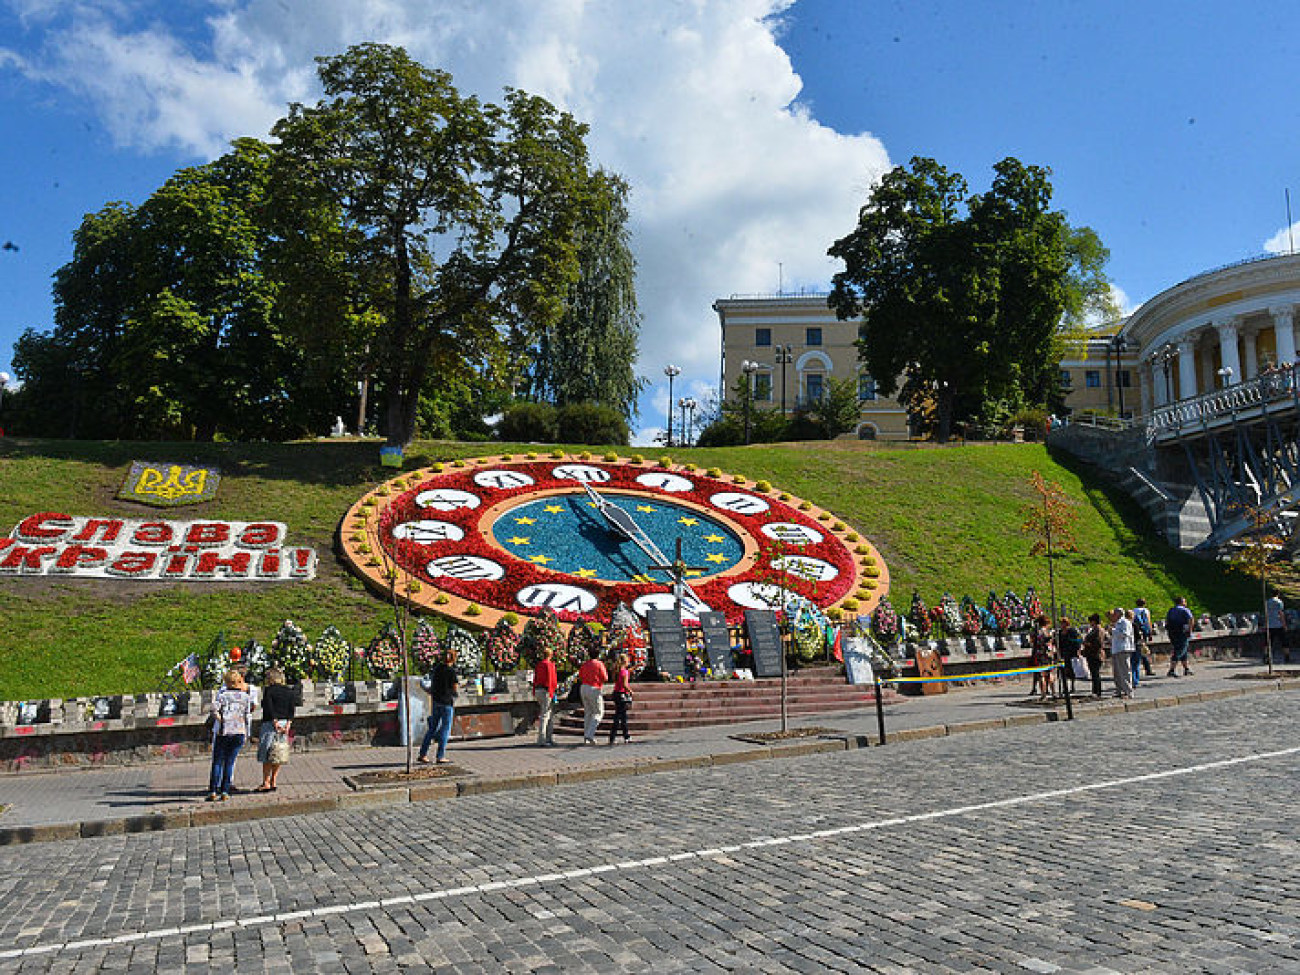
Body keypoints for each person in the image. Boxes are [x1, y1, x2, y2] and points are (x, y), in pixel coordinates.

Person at [207, 668, 253, 801]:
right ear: (239, 681)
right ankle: (225, 791)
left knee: (217, 762)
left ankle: (213, 790)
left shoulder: (222, 696)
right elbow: (247, 716)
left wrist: (220, 718)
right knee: (229, 762)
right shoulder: (245, 697)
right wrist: (247, 733)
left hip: (224, 731)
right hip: (238, 731)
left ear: (226, 682)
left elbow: (213, 709)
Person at [255, 667, 295, 793]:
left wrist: (274, 721)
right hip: (284, 723)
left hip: (270, 723)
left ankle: (266, 782)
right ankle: (274, 780)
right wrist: (288, 723)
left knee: (267, 752)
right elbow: (291, 708)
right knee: (278, 752)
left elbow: (269, 706)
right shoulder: (289, 691)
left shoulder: (269, 690)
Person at [419, 647, 459, 764]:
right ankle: (440, 756)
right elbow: (454, 687)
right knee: (445, 730)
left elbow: (433, 685)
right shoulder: (451, 671)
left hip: (436, 701)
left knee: (432, 728)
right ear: (453, 659)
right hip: (447, 703)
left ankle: (423, 753)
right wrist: (455, 693)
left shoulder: (437, 669)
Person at [577, 647, 608, 744]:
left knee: (588, 712)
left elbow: (580, 676)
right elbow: (605, 677)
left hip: (583, 687)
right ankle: (590, 734)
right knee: (598, 712)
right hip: (594, 688)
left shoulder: (585, 664)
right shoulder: (599, 664)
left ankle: (586, 736)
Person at [532, 646, 558, 747]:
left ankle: (549, 737)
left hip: (538, 690)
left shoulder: (539, 664)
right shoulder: (550, 665)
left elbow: (535, 678)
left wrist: (534, 691)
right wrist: (553, 692)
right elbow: (552, 680)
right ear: (550, 655)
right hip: (546, 691)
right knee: (545, 715)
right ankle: (542, 739)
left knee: (548, 714)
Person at [1165, 595, 1195, 677]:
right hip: (1182, 632)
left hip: (1172, 633)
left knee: (1182, 650)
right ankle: (1171, 669)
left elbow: (1167, 621)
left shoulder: (1171, 610)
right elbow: (1191, 620)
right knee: (1180, 650)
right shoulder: (1185, 610)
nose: (1186, 603)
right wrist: (1190, 630)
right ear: (1182, 602)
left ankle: (1186, 668)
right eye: (1185, 601)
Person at [1109, 607, 1136, 699]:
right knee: (1117, 672)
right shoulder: (1116, 623)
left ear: (1118, 614)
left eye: (1114, 614)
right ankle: (1119, 690)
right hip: (1116, 649)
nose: (1112, 616)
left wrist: (1112, 631)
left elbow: (1125, 634)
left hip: (1123, 649)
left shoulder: (1125, 622)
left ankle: (1128, 691)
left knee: (1125, 671)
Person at [607, 653, 633, 746]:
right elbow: (625, 685)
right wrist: (630, 691)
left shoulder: (617, 670)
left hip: (616, 694)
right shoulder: (624, 672)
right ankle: (624, 736)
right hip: (623, 695)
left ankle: (618, 736)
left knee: (619, 716)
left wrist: (636, 667)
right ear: (625, 662)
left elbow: (625, 673)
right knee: (621, 717)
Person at [1029, 615, 1055, 700]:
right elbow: (1051, 642)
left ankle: (1043, 694)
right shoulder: (1049, 632)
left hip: (1039, 654)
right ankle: (1053, 692)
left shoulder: (1036, 632)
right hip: (1048, 654)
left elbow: (1032, 641)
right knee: (1050, 673)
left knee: (1041, 675)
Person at [1082, 613, 1107, 699]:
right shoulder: (1094, 630)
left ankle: (1097, 691)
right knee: (1094, 673)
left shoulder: (1098, 630)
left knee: (1095, 673)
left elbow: (1098, 643)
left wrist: (1087, 644)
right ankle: (1095, 691)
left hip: (1096, 654)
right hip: (1092, 654)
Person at [1131, 597, 1156, 684]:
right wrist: (1150, 632)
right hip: (1143, 633)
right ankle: (1148, 669)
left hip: (1135, 633)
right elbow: (1148, 622)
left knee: (1139, 650)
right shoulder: (1145, 611)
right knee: (1143, 649)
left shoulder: (1133, 610)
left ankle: (1145, 668)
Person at [1056, 616, 1083, 695]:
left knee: (1072, 670)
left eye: (1063, 623)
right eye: (1061, 623)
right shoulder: (1060, 633)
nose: (1062, 625)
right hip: (1063, 653)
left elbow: (1078, 641)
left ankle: (1072, 686)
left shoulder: (1072, 631)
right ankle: (1065, 687)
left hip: (1072, 653)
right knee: (1064, 671)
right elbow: (1058, 642)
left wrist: (1078, 650)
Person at [1266, 593, 1288, 663]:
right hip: (1278, 625)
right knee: (1284, 642)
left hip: (1269, 625)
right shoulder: (1279, 602)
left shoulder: (1267, 602)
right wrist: (1284, 625)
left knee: (1268, 642)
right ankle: (1287, 656)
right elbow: (1281, 614)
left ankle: (1266, 656)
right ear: (1278, 594)